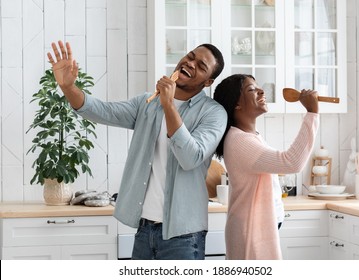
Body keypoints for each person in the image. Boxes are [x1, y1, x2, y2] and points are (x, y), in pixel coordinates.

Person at [47, 40, 227, 260]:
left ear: (208, 81)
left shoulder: (214, 113)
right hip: (144, 229)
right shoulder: (147, 103)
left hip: (184, 235)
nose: (190, 63)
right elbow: (102, 111)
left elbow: (190, 158)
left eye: (201, 66)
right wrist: (68, 87)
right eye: (190, 56)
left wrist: (169, 105)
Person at [213, 74, 319, 260]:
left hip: (256, 225)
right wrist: (312, 113)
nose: (261, 91)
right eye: (251, 89)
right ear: (236, 104)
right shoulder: (241, 141)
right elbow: (292, 162)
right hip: (251, 228)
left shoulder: (249, 136)